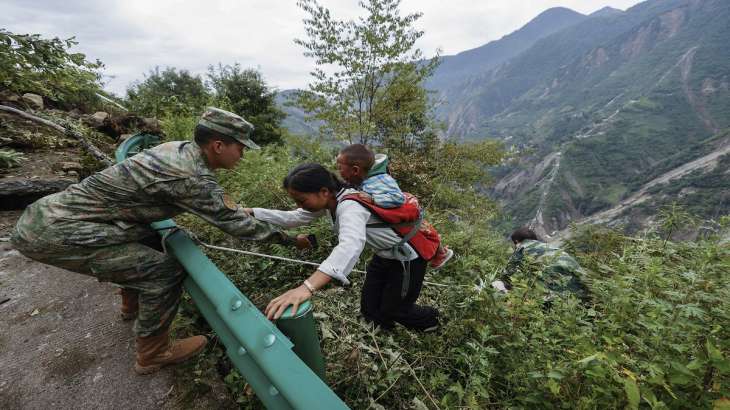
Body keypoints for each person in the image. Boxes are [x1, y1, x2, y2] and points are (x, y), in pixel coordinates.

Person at [10, 107, 305, 375]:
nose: (242, 155)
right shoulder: (194, 178)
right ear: (218, 146)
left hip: (50, 214)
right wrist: (290, 240)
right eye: (240, 148)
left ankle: (132, 307)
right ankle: (153, 353)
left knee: (148, 239)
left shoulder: (177, 149)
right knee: (162, 272)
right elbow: (236, 224)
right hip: (57, 232)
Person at [252, 163, 440, 332]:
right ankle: (380, 334)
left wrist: (306, 287)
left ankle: (433, 320)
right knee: (369, 307)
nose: (299, 205)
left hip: (407, 259)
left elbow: (350, 245)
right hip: (384, 255)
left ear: (324, 191)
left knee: (397, 309)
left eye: (301, 200)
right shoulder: (331, 202)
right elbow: (293, 218)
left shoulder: (350, 206)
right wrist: (252, 212)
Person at [335, 144, 454, 269]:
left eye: (340, 168)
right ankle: (440, 253)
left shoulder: (380, 180)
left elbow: (398, 198)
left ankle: (440, 253)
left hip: (404, 219)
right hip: (399, 221)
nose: (339, 172)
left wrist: (374, 200)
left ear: (355, 170)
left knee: (425, 233)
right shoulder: (365, 180)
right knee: (424, 232)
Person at [495, 227, 589, 303]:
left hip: (557, 300)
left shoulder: (521, 249)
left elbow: (506, 276)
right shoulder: (554, 248)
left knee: (497, 284)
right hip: (584, 295)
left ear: (516, 241)